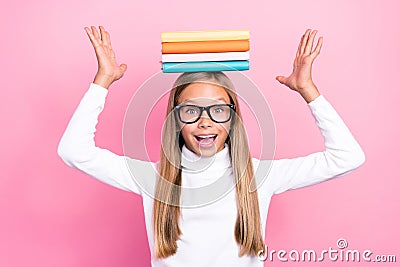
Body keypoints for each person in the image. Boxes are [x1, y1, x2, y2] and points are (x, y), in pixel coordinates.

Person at [57, 26, 365, 267]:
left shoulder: (261, 175)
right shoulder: (152, 179)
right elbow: (73, 151)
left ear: (233, 118)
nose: (205, 121)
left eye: (218, 110)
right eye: (191, 110)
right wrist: (102, 82)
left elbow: (347, 157)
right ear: (176, 120)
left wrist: (308, 91)